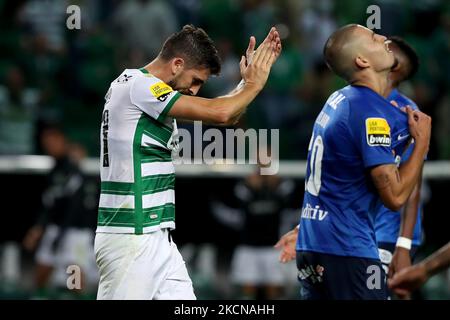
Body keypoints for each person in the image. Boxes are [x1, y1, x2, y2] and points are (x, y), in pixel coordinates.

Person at [94, 24, 282, 300]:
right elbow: (221, 113)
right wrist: (254, 84)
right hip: (131, 236)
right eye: (195, 80)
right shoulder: (140, 86)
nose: (194, 90)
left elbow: (226, 114)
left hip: (157, 238)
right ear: (177, 64)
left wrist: (245, 85)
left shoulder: (138, 88)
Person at [276, 24, 431, 300]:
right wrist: (422, 143)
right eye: (374, 38)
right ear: (362, 60)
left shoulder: (338, 100)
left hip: (314, 243)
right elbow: (395, 196)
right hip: (347, 249)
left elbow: (338, 177)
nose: (383, 37)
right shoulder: (371, 113)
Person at [22, 126, 98, 297]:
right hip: (55, 228)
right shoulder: (55, 169)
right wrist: (39, 228)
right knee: (41, 272)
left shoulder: (76, 166)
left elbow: (78, 200)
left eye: (53, 141)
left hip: (76, 231)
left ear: (63, 141)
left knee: (75, 280)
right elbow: (51, 202)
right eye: (46, 143)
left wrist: (77, 162)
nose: (49, 146)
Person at [375, 36, 424, 292]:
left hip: (388, 235)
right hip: (356, 230)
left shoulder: (407, 113)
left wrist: (402, 246)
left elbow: (413, 184)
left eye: (383, 48)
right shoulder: (353, 100)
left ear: (392, 65)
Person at [211, 163, 296, 299]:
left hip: (273, 247)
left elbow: (290, 193)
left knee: (274, 289)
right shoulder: (246, 184)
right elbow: (237, 197)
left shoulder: (280, 183)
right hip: (248, 246)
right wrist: (250, 185)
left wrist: (274, 182)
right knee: (247, 291)